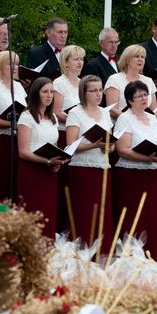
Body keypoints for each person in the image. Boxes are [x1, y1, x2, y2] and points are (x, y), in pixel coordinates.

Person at [114, 81, 157, 265]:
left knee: (152, 217)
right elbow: (122, 149)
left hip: (153, 174)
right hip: (132, 176)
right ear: (129, 100)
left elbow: (156, 140)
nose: (145, 98)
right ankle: (131, 262)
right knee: (134, 218)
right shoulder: (124, 119)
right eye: (140, 96)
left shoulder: (152, 118)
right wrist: (146, 159)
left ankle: (153, 261)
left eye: (146, 95)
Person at [65, 76, 115, 251]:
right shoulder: (75, 113)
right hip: (82, 169)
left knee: (102, 212)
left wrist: (109, 147)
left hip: (102, 166)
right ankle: (81, 253)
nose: (98, 94)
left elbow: (111, 142)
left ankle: (102, 253)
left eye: (100, 90)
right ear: (84, 93)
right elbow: (70, 144)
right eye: (93, 90)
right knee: (84, 212)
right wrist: (94, 144)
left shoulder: (106, 113)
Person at [17, 77, 68, 238]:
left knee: (48, 210)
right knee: (33, 210)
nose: (49, 95)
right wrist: (46, 161)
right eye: (45, 91)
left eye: (52, 92)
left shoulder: (52, 117)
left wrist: (56, 161)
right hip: (32, 171)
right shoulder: (26, 117)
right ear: (35, 94)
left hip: (49, 172)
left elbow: (53, 144)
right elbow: (23, 151)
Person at [0, 50, 27, 199]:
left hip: (16, 139)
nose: (15, 67)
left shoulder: (19, 86)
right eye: (10, 63)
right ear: (0, 66)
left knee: (14, 180)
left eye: (16, 64)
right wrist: (12, 123)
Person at [104, 45, 157, 119]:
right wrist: (134, 120)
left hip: (146, 125)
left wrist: (149, 120)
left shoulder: (148, 81)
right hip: (123, 124)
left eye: (142, 57)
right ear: (127, 60)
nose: (140, 59)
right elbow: (112, 109)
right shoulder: (115, 79)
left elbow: (154, 110)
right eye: (136, 56)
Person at [53, 45, 85, 133]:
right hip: (65, 132)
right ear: (66, 62)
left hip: (82, 132)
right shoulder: (59, 83)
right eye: (76, 59)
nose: (80, 62)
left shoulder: (83, 83)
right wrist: (77, 122)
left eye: (81, 59)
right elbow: (57, 112)